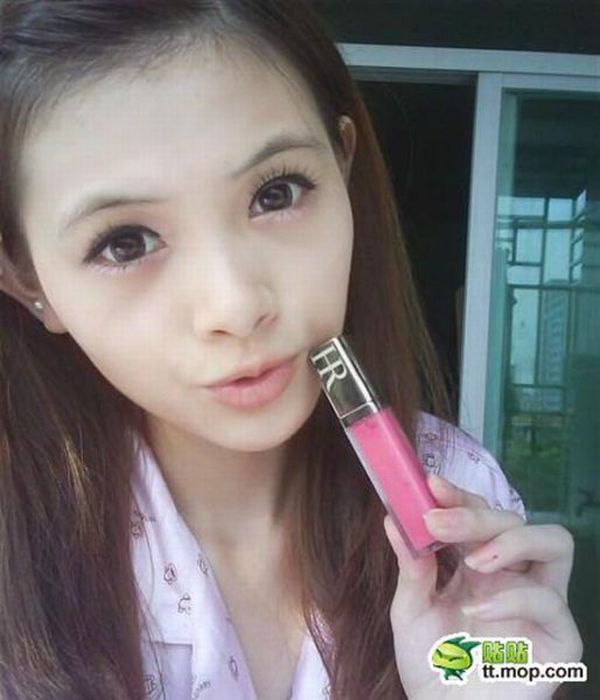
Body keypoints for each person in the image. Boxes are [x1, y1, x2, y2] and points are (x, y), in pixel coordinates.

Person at [0, 1, 582, 698]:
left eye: (276, 193)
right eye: (125, 243)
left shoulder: (459, 492)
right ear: (27, 280)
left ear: (342, 163)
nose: (236, 305)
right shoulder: (17, 552)